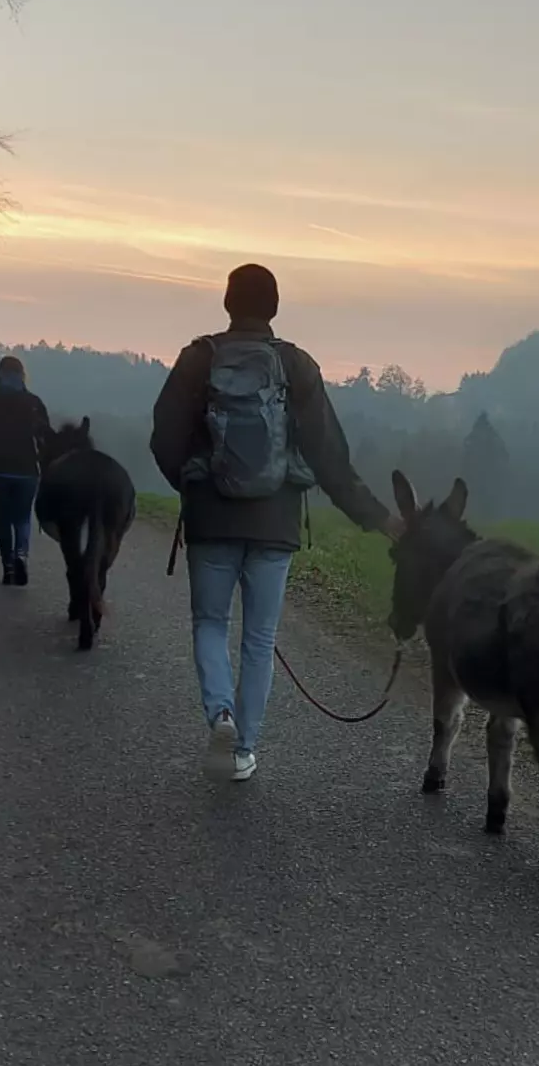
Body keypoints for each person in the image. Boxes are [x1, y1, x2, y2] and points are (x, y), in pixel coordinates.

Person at [151, 263, 401, 781]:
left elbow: (164, 438)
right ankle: (243, 749)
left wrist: (193, 484)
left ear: (226, 303)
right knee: (260, 639)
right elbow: (331, 457)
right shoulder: (296, 366)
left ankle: (219, 713)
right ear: (275, 308)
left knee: (210, 623)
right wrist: (377, 517)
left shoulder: (198, 359)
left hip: (211, 519)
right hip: (276, 522)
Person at [0, 354, 52, 586]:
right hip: (27, 469)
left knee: (4, 517)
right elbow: (45, 436)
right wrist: (40, 459)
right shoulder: (34, 403)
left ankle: (8, 567)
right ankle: (21, 555)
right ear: (22, 375)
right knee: (23, 517)